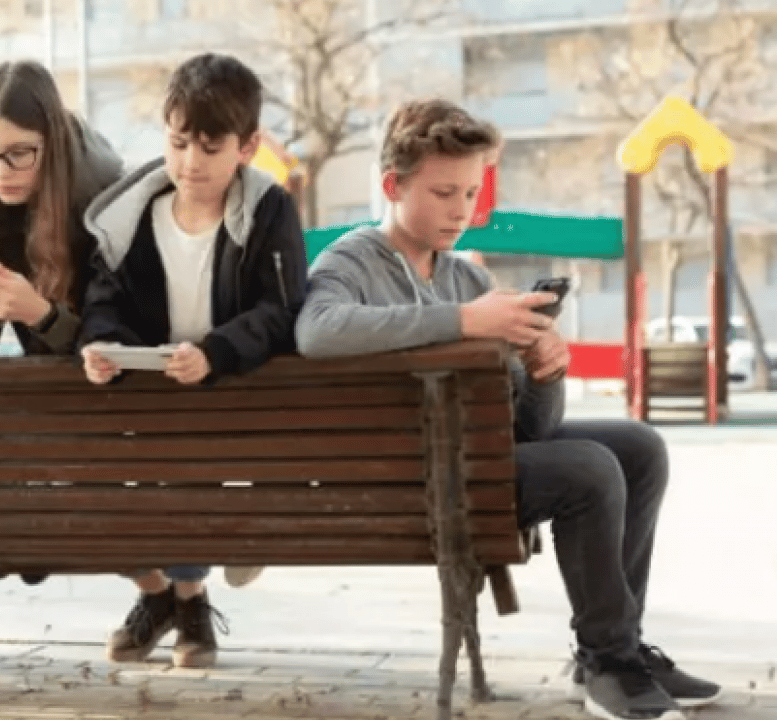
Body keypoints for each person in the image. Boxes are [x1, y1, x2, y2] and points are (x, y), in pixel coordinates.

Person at [294, 98, 720, 720]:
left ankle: (613, 652)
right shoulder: (352, 260)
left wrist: (544, 366)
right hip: (410, 475)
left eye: (470, 192)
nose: (460, 209)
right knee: (589, 468)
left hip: (474, 457)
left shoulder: (464, 278)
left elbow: (530, 430)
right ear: (393, 187)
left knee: (637, 447)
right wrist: (464, 321)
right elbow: (318, 332)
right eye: (443, 192)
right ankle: (608, 660)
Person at [77, 52, 308, 670]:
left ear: (247, 145)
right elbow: (103, 302)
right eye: (178, 143)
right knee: (88, 477)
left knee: (188, 476)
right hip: (147, 398)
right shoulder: (133, 215)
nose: (189, 163)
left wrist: (214, 353)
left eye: (209, 147)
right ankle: (172, 599)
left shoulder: (270, 212)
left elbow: (281, 310)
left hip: (232, 399)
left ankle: (186, 605)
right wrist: (103, 349)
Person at [0, 59, 123, 362]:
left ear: (52, 146)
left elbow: (115, 347)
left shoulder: (103, 207)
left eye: (19, 153)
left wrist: (42, 316)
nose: (1, 174)